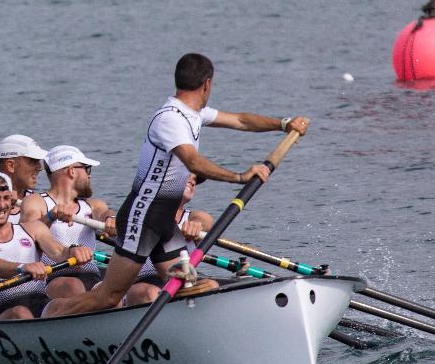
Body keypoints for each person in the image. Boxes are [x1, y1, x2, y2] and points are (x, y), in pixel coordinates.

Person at [44, 53, 310, 317]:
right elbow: (193, 162)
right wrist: (239, 176)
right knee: (109, 295)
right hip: (143, 217)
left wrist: (283, 124)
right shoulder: (170, 119)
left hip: (163, 221)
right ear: (207, 84)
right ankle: (53, 315)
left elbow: (240, 120)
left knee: (187, 286)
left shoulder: (194, 114)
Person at [0, 172, 94, 319]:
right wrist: (21, 267)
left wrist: (74, 250)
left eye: (6, 198)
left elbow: (59, 252)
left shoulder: (33, 229)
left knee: (65, 303)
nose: (2, 205)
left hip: (40, 304)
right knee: (20, 313)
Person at [19, 145, 116, 300]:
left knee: (115, 289)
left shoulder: (93, 204)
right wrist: (50, 217)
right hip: (54, 277)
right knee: (72, 287)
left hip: (92, 275)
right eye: (87, 169)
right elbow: (27, 238)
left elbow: (104, 212)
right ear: (71, 171)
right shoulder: (35, 202)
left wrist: (110, 219)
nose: (89, 176)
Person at [125, 174, 214, 305]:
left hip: (184, 280)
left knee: (212, 285)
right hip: (144, 281)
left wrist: (195, 225)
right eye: (188, 175)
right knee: (151, 293)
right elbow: (106, 213)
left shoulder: (194, 217)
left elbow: (205, 221)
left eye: (195, 179)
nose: (193, 182)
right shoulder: (138, 216)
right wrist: (109, 220)